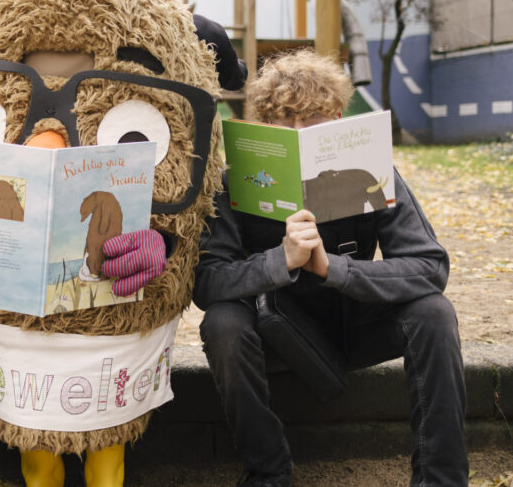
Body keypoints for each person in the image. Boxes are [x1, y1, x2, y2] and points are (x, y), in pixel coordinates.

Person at [194, 49, 466, 486]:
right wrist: (279, 260)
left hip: (354, 321)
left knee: (433, 312)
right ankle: (268, 472)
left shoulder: (374, 172)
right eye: (284, 122)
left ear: (339, 118)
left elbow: (430, 267)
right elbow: (208, 283)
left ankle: (441, 478)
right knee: (222, 322)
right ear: (265, 126)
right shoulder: (231, 183)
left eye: (313, 122)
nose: (299, 134)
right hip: (278, 330)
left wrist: (332, 268)